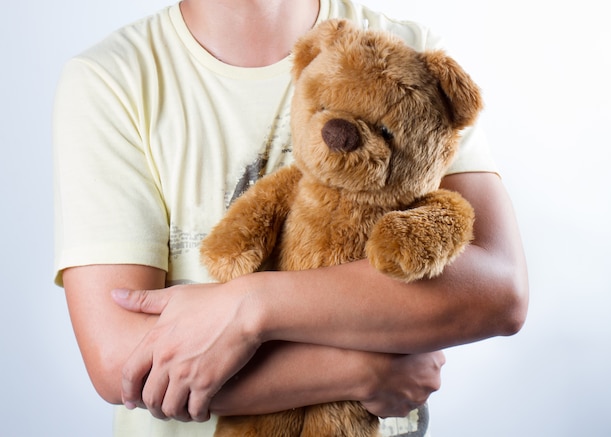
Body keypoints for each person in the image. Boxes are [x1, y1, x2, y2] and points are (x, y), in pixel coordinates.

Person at [53, 0, 529, 435]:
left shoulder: (407, 54)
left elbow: (498, 290)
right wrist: (366, 372)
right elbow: (123, 361)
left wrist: (251, 307)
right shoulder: (112, 79)